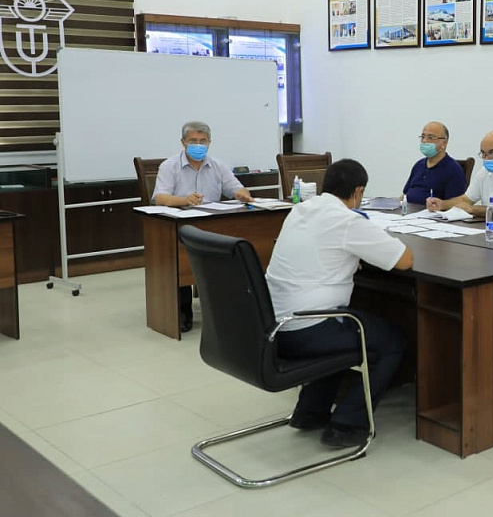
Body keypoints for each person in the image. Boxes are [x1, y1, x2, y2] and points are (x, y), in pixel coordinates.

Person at [266, 159, 414, 448]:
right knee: (393, 341)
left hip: (273, 327)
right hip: (307, 331)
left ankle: (310, 412)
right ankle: (347, 424)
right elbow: (405, 260)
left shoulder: (300, 210)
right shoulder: (347, 221)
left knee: (341, 324)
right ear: (358, 192)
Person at [152, 121, 254, 332]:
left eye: (202, 141)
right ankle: (182, 312)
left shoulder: (218, 165)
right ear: (183, 143)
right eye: (193, 141)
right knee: (181, 259)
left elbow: (237, 189)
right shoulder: (169, 166)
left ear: (209, 143)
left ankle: (224, 309)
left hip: (212, 224)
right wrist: (184, 199)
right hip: (181, 225)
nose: (198, 145)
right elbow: (160, 198)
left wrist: (242, 194)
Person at [402, 121, 468, 205]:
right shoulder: (418, 165)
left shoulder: (453, 169)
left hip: (430, 212)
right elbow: (405, 194)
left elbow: (456, 203)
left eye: (430, 137)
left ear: (444, 143)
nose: (425, 141)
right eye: (423, 137)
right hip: (408, 210)